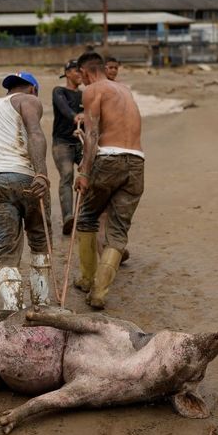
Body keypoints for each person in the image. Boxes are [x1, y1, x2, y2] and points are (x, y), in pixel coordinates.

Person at [0, 71, 52, 311]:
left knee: (6, 249)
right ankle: (41, 306)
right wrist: (41, 173)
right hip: (25, 176)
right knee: (39, 240)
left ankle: (12, 308)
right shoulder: (29, 100)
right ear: (33, 89)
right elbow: (35, 133)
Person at [74, 52, 144, 309]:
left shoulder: (93, 89)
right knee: (118, 229)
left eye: (81, 76)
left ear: (85, 71)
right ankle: (99, 293)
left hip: (109, 160)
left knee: (87, 217)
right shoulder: (124, 90)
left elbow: (92, 135)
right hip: (136, 161)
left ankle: (86, 279)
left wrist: (83, 171)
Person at [51, 60, 84, 235]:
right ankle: (68, 218)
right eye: (76, 71)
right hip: (62, 143)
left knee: (91, 173)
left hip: (81, 142)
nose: (79, 74)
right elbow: (64, 108)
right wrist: (75, 116)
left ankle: (87, 215)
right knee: (67, 175)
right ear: (68, 73)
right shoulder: (59, 91)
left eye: (81, 71)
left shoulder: (85, 95)